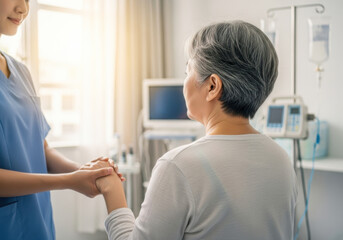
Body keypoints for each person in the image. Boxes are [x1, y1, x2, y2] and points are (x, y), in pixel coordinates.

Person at [88, 21, 298, 240]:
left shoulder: (178, 166)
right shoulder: (281, 159)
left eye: (188, 71)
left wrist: (111, 188)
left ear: (212, 86)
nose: (184, 83)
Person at [0, 0, 123, 239]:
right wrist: (69, 180)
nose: (24, 9)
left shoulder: (20, 71)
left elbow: (40, 147)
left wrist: (84, 172)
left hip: (39, 220)